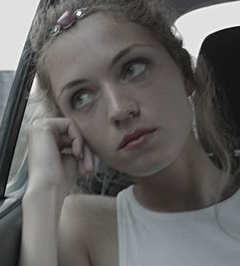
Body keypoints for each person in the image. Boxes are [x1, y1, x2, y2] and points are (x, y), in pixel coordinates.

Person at [19, 0, 240, 265]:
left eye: (132, 69)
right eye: (81, 98)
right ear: (70, 126)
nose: (119, 110)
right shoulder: (84, 226)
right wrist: (42, 192)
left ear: (185, 74)